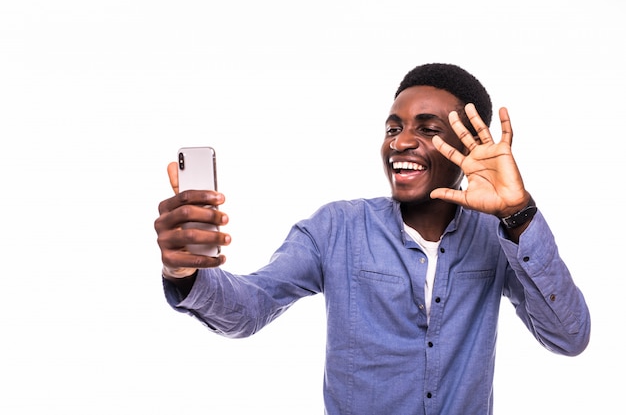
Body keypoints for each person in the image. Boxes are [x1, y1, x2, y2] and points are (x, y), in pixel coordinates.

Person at [154, 63, 591, 415]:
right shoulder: (336, 228)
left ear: (469, 147)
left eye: (428, 129)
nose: (401, 141)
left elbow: (569, 337)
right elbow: (251, 307)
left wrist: (517, 215)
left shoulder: (498, 238)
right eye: (393, 128)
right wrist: (185, 271)